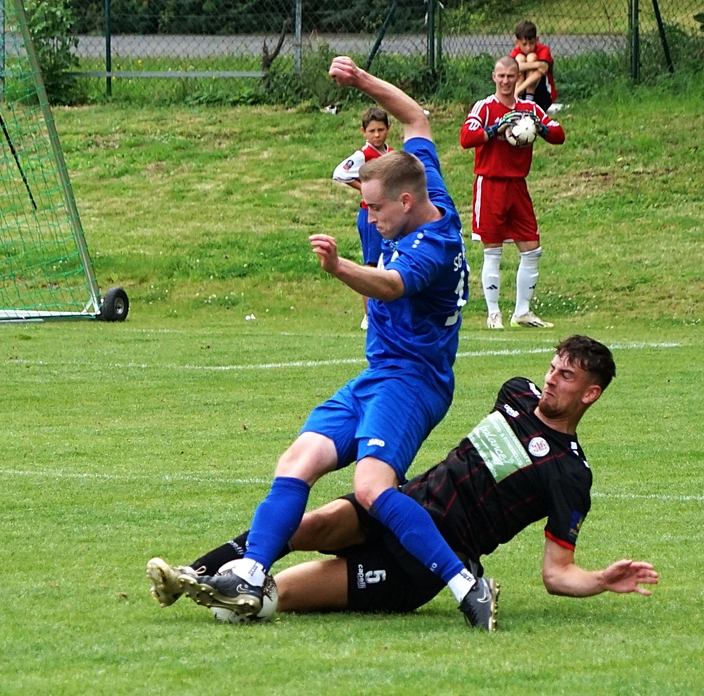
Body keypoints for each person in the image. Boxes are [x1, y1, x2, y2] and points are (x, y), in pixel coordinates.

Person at [171, 55, 492, 629]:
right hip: (377, 376)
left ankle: (466, 585)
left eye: (374, 208)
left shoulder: (434, 248)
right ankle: (250, 572)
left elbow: (390, 285)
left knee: (370, 488)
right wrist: (361, 80)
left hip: (414, 382)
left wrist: (339, 267)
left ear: (405, 203)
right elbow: (416, 118)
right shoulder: (422, 180)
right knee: (300, 458)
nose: (368, 215)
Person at [148, 335, 659, 628]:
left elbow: (556, 573)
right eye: (552, 368)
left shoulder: (570, 473)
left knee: (280, 595)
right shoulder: (516, 393)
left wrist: (599, 581)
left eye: (566, 376)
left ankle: (225, 592)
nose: (550, 379)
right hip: (397, 505)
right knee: (304, 525)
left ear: (590, 394)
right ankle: (190, 574)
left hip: (422, 564)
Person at [460, 56, 565, 331]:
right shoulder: (484, 107)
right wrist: (495, 129)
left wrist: (540, 127)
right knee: (492, 251)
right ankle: (493, 314)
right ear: (494, 77)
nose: (506, 81)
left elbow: (559, 134)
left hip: (518, 186)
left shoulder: (529, 109)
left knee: (532, 249)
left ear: (518, 78)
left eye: (511, 76)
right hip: (490, 184)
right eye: (501, 76)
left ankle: (522, 312)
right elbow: (466, 138)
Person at [332, 107, 395, 330]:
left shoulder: (391, 154)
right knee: (371, 264)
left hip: (390, 216)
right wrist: (365, 190)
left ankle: (385, 313)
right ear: (364, 132)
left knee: (388, 263)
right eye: (372, 131)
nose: (377, 135)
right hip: (370, 216)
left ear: (388, 129)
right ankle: (369, 316)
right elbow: (340, 173)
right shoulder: (363, 155)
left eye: (381, 130)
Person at [510, 20, 557, 113]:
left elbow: (540, 72)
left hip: (542, 95)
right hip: (519, 92)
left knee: (532, 57)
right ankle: (519, 100)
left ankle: (528, 99)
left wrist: (518, 90)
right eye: (524, 44)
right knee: (519, 58)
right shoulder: (517, 52)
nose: (528, 47)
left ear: (537, 40)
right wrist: (537, 64)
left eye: (531, 43)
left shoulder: (543, 50)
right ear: (517, 43)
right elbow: (511, 68)